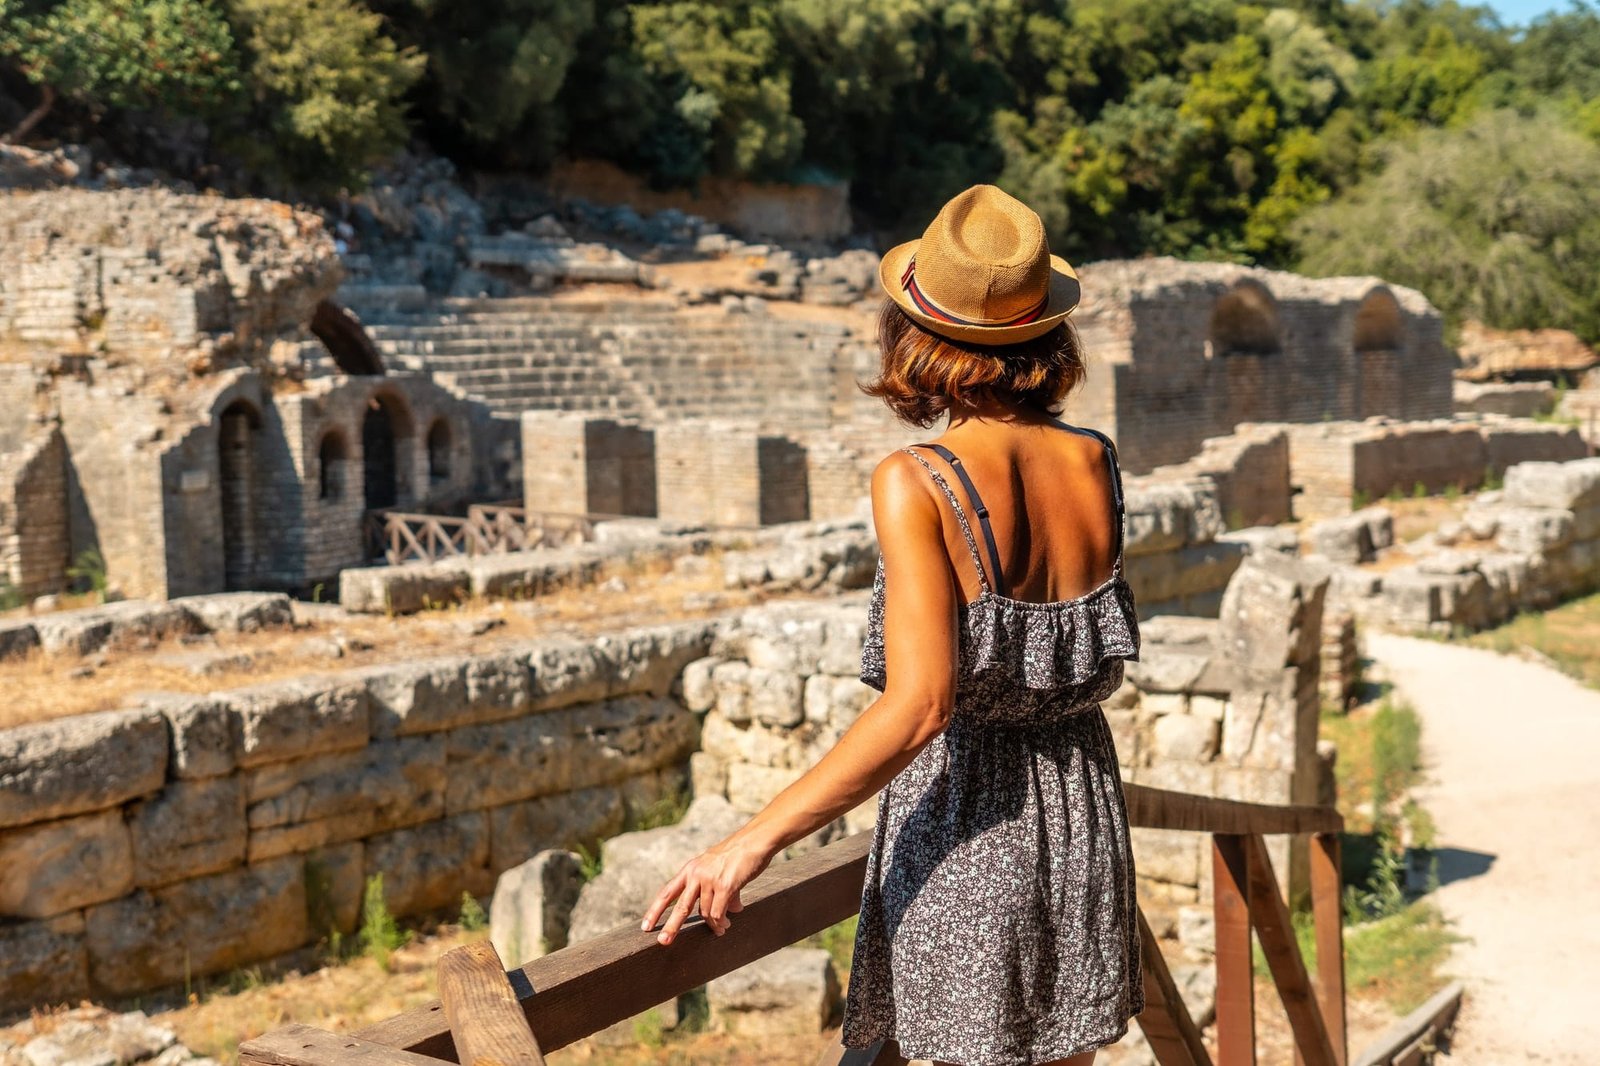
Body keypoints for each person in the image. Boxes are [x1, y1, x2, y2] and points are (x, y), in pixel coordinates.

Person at [640, 184, 1144, 1066]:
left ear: (920, 335)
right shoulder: (1096, 460)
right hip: (1083, 816)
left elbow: (921, 708)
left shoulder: (917, 479)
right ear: (1045, 332)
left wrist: (750, 842)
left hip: (970, 830)